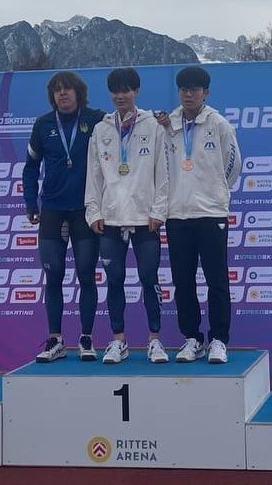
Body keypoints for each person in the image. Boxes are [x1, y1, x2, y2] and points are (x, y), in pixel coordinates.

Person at [156, 66, 241, 364]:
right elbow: (161, 167)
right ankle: (192, 338)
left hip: (211, 214)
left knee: (217, 280)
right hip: (177, 215)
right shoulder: (168, 125)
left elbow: (233, 165)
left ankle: (218, 339)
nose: (188, 94)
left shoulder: (219, 124)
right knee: (183, 280)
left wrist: (214, 192)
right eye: (184, 89)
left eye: (194, 89)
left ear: (206, 93)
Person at [85, 68, 169, 364]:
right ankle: (118, 340)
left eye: (126, 90)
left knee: (148, 278)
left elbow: (163, 172)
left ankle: (155, 340)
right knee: (114, 280)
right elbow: (94, 174)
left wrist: (159, 211)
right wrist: (93, 211)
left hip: (145, 219)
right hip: (110, 219)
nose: (120, 96)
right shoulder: (101, 129)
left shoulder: (153, 126)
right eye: (115, 91)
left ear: (136, 91)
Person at [23, 71, 105, 362]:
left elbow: (128, 127)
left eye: (67, 89)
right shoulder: (43, 124)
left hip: (85, 209)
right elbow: (31, 166)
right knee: (54, 273)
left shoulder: (96, 120)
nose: (62, 94)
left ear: (78, 92)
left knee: (86, 273)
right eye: (57, 90)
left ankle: (86, 338)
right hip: (53, 210)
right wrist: (30, 202)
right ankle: (55, 339)